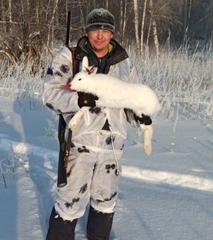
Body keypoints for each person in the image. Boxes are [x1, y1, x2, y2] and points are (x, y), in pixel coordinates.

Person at [42, 8, 145, 240]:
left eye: (105, 30)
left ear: (112, 34)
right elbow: (49, 94)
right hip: (80, 144)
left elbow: (133, 98)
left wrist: (139, 114)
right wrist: (77, 100)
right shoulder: (70, 56)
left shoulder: (123, 62)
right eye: (94, 29)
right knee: (70, 202)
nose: (100, 35)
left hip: (112, 146)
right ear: (87, 31)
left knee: (105, 201)